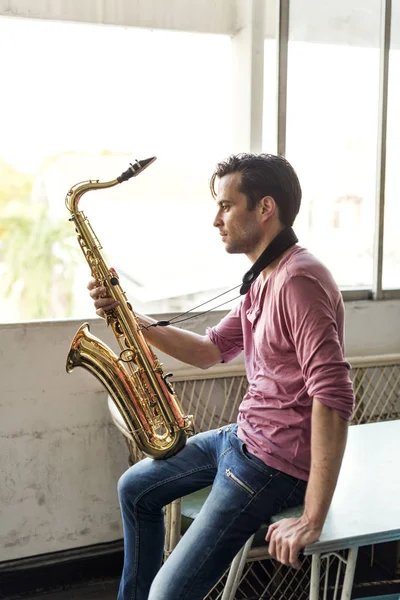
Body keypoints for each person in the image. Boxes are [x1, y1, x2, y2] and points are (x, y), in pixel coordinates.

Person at [88, 153, 354, 600]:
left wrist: (312, 516)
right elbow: (210, 350)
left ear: (265, 208)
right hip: (243, 437)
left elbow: (333, 394)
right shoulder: (265, 276)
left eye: (227, 205)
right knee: (134, 488)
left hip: (273, 464)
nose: (216, 219)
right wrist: (128, 315)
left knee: (168, 594)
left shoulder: (298, 280)